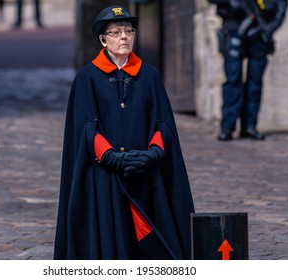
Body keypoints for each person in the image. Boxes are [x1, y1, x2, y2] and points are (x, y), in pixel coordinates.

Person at [54, 5, 195, 260]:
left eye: (129, 31)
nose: (124, 37)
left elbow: (162, 123)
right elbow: (86, 127)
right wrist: (110, 157)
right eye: (116, 32)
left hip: (146, 173)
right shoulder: (87, 78)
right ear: (103, 40)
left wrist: (153, 153)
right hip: (104, 178)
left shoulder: (149, 75)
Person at [208, 0, 288, 141]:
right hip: (234, 29)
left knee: (255, 84)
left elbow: (281, 7)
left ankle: (249, 126)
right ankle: (227, 126)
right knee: (233, 80)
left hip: (259, 35)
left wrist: (268, 28)